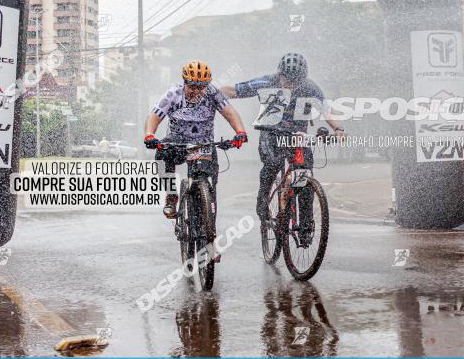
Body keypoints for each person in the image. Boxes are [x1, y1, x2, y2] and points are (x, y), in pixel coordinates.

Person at [221, 53, 346, 229]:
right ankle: (263, 199)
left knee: (304, 177)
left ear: (303, 78)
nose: (291, 85)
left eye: (296, 81)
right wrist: (208, 93)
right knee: (272, 163)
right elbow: (233, 91)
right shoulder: (267, 82)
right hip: (271, 134)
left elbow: (326, 110)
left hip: (297, 136)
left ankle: (305, 224)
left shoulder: (311, 88)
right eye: (287, 79)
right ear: (280, 74)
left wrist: (338, 129)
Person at [144, 61, 248, 225]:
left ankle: (208, 224)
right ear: (184, 82)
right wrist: (150, 135)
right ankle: (171, 195)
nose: (196, 91)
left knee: (207, 185)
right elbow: (155, 116)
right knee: (162, 154)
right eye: (192, 86)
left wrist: (240, 132)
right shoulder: (174, 94)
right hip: (177, 143)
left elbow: (230, 112)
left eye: (201, 87)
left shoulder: (213, 92)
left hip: (203, 145)